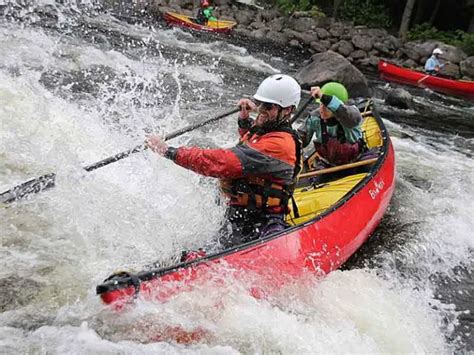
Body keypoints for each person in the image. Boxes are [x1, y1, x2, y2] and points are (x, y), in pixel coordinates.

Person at [146, 74, 302, 258]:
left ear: (288, 110)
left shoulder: (279, 145)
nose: (260, 110)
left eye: (268, 107)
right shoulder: (267, 132)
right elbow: (251, 142)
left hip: (265, 223)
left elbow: (221, 163)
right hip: (238, 219)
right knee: (191, 256)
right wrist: (245, 119)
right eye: (259, 103)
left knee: (214, 258)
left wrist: (169, 151)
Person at [298, 82, 364, 170]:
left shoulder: (351, 115)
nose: (322, 109)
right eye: (321, 104)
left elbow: (344, 112)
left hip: (356, 163)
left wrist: (323, 97)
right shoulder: (314, 118)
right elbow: (301, 140)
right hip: (328, 164)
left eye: (326, 105)